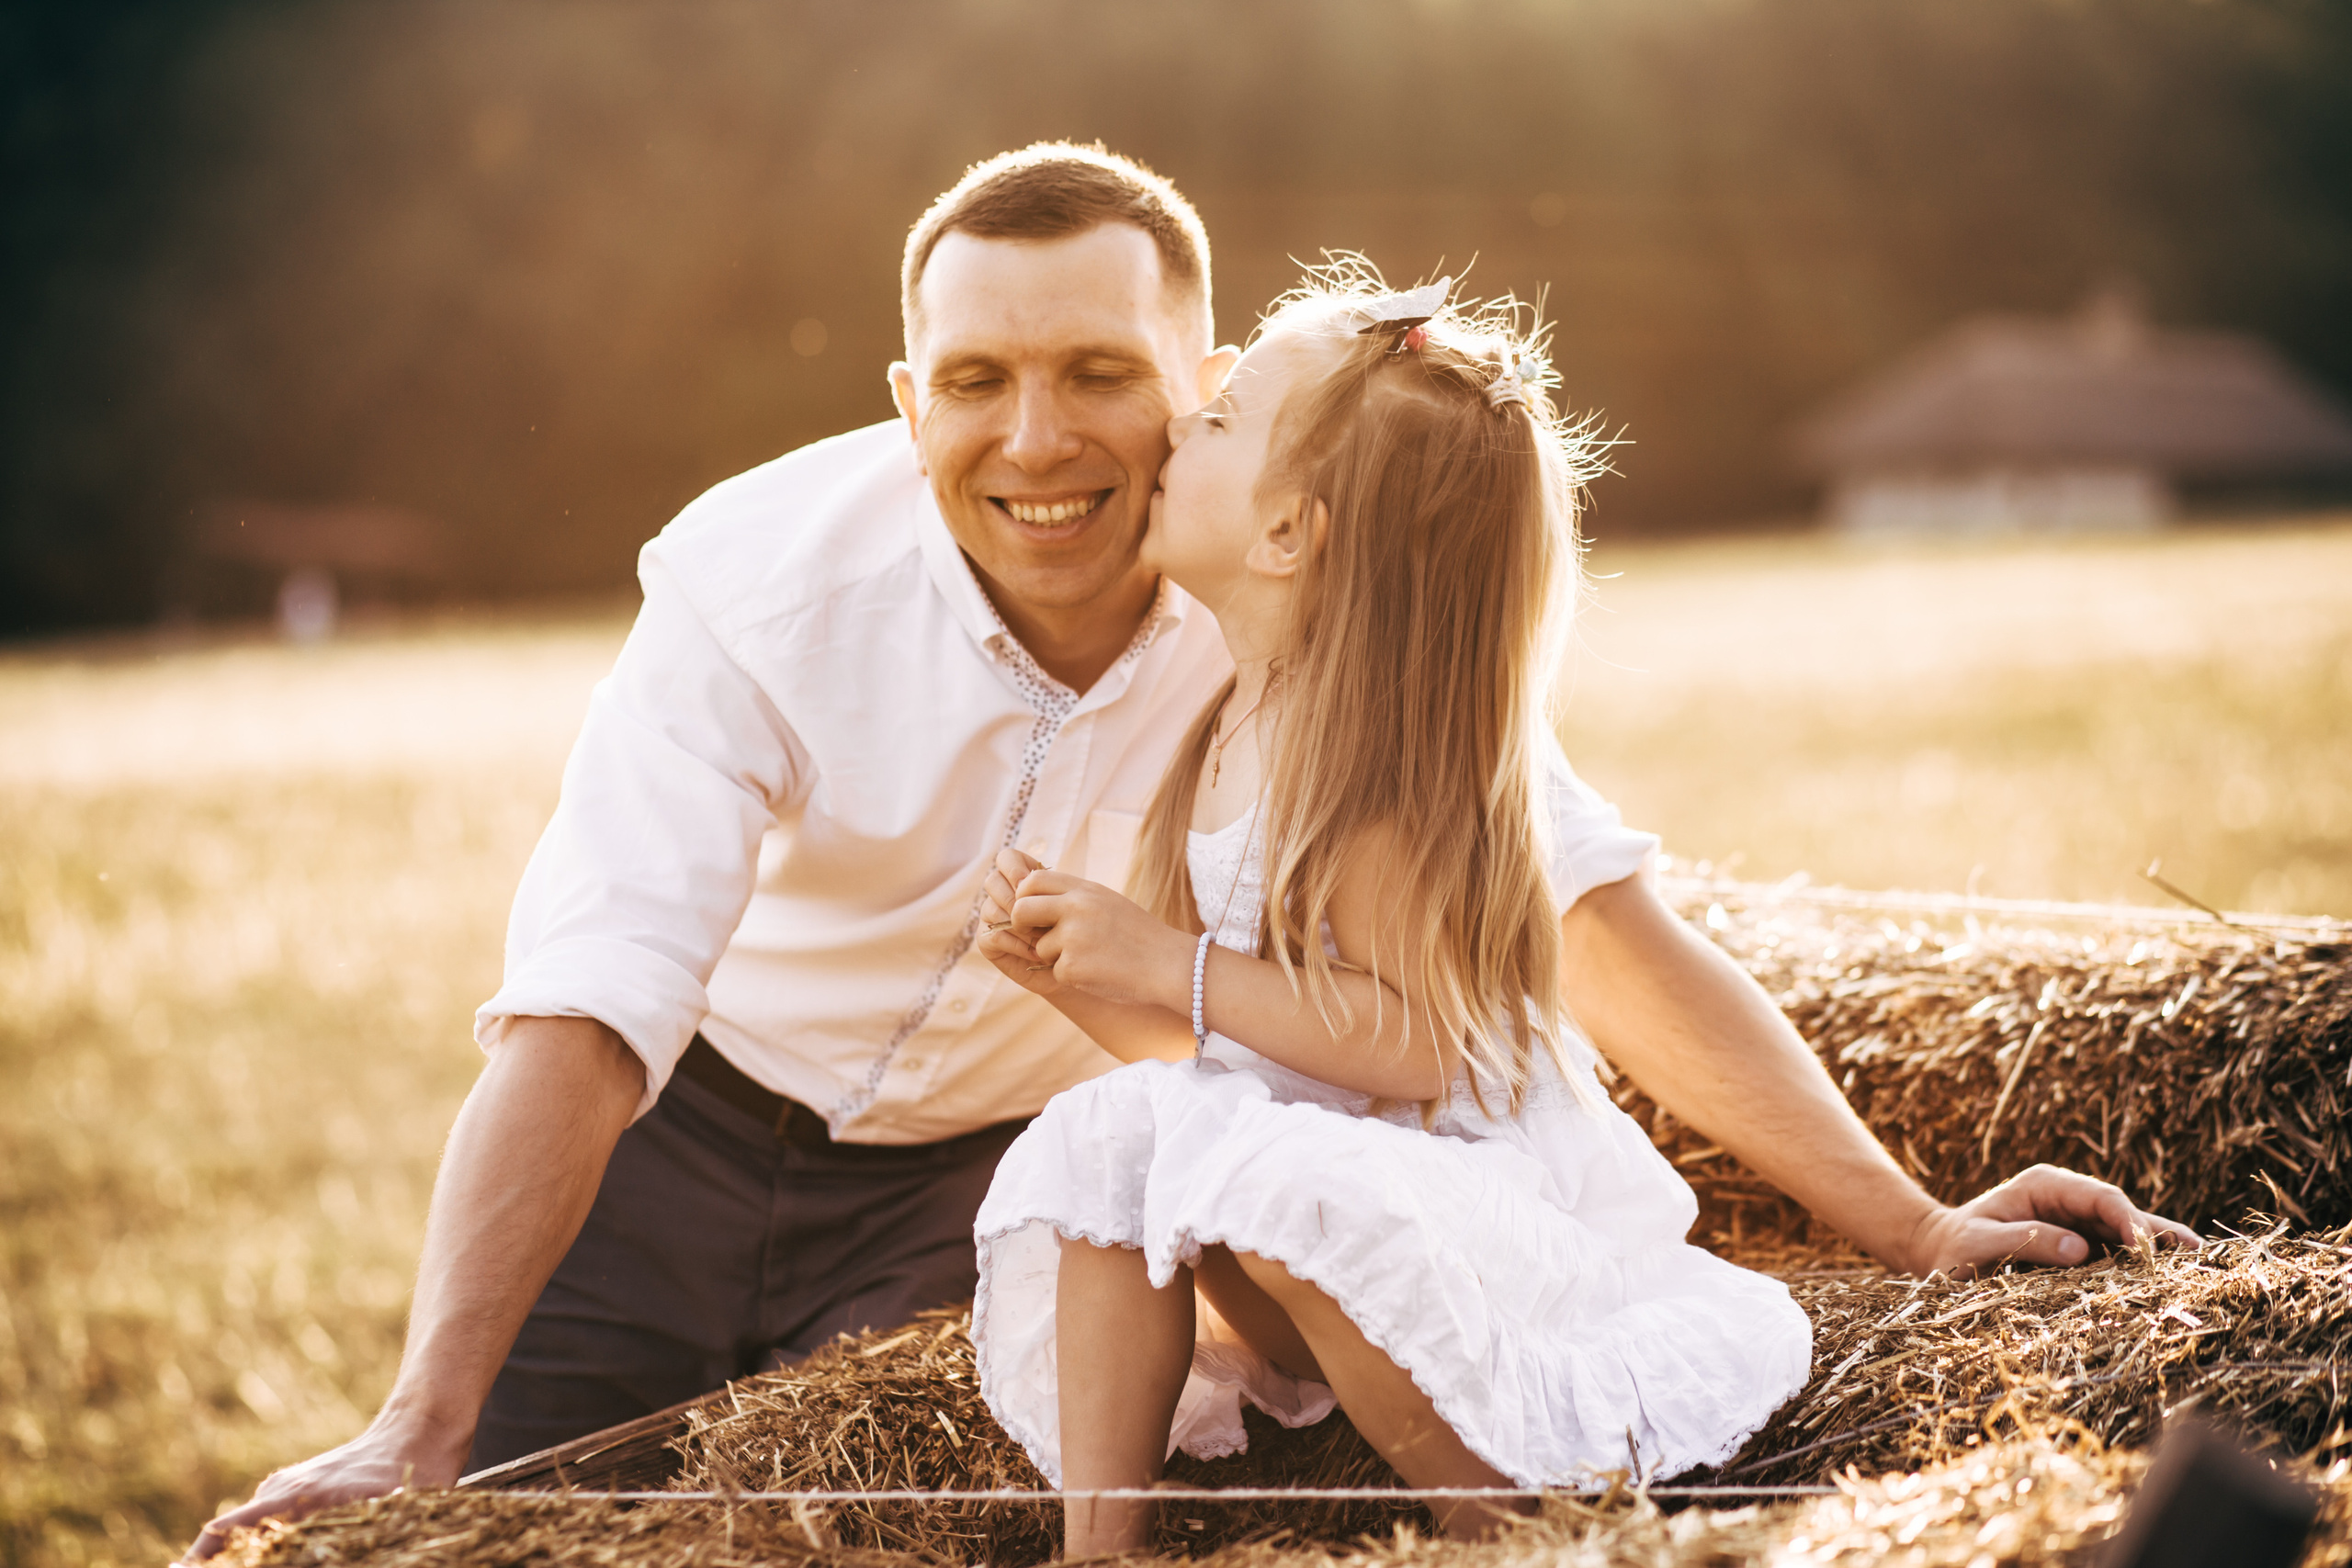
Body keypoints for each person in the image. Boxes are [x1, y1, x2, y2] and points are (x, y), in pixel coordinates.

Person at [183, 142, 2193, 1562]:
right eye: (973, 381)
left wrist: (1905, 1222)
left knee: (877, 1519)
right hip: (681, 1129)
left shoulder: (1297, 616)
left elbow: (1589, 916)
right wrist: (420, 1412)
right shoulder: (751, 585)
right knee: (483, 1520)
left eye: (1096, 375)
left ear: (1206, 393)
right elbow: (591, 1000)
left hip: (959, 1184)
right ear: (907, 401)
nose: (1034, 438)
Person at [967, 273, 1814, 1553]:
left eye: (1226, 414)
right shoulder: (1222, 734)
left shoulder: (1365, 774)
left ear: (1287, 538)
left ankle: (1499, 1525)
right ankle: (1101, 1545)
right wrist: (1088, 979)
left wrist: (1167, 960)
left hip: (1481, 1240)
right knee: (1112, 1139)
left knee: (1290, 1183)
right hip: (1313, 1227)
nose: (1191, 408)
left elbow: (1420, 1045)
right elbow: (1230, 1073)